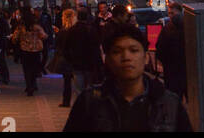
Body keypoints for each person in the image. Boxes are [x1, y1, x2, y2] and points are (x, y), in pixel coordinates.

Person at [63, 25, 192, 132]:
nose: (126, 57)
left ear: (146, 58)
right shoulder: (90, 102)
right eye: (117, 52)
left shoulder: (169, 103)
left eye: (134, 50)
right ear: (107, 60)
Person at [12, 7, 47, 96]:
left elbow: (15, 38)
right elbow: (44, 36)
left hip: (24, 50)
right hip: (35, 51)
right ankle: (33, 84)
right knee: (34, 68)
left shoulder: (20, 27)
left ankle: (29, 86)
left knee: (26, 69)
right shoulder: (36, 27)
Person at [155, 11, 187, 99]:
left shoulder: (166, 30)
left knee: (174, 97)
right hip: (187, 71)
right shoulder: (188, 31)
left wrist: (165, 63)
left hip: (171, 71)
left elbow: (159, 49)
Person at [54, 7, 78, 107]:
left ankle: (66, 101)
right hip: (77, 58)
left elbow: (58, 45)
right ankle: (80, 102)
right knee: (78, 82)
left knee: (67, 81)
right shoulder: (77, 29)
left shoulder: (63, 31)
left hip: (66, 59)